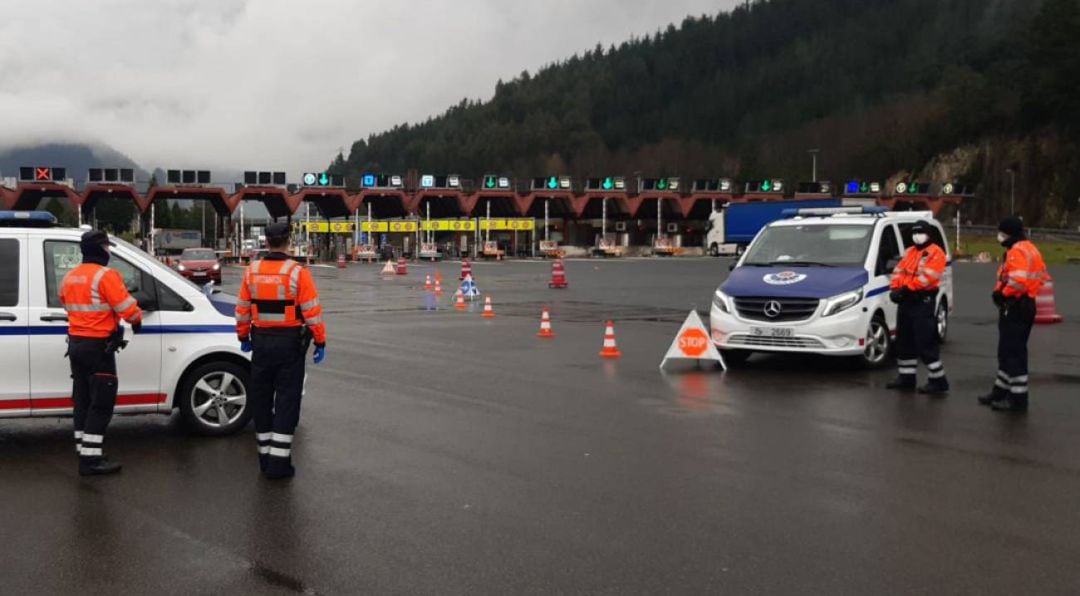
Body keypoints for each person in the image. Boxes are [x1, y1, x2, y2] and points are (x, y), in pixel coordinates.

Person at [235, 222, 327, 479]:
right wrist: (320, 341)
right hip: (289, 345)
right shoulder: (298, 273)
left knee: (261, 400)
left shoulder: (251, 271)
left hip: (261, 343)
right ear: (288, 242)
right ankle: (279, 463)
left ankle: (264, 459)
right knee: (287, 401)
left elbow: (242, 308)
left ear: (266, 241)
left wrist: (243, 336)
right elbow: (312, 312)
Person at [60, 230, 143, 476]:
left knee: (82, 400)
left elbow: (66, 303)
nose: (108, 252)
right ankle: (91, 461)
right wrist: (137, 320)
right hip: (98, 347)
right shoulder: (106, 276)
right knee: (102, 402)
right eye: (107, 247)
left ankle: (84, 448)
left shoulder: (70, 277)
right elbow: (127, 308)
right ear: (100, 249)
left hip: (75, 344)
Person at [978, 216, 1048, 413]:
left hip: (1016, 305)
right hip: (1025, 304)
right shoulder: (1030, 249)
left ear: (1010, 233)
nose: (999, 236)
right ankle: (1001, 390)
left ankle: (1017, 398)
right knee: (1008, 350)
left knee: (1013, 352)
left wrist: (1003, 294)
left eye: (1002, 233)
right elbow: (1041, 275)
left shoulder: (1017, 251)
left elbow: (1017, 281)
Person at [886, 221, 950, 395]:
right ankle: (906, 378)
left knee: (925, 340)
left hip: (922, 300)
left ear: (928, 234)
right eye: (914, 233)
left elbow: (929, 277)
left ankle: (938, 380)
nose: (917, 236)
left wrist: (906, 289)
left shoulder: (936, 253)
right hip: (907, 300)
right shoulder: (910, 252)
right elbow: (899, 271)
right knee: (904, 339)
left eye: (920, 233)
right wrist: (895, 288)